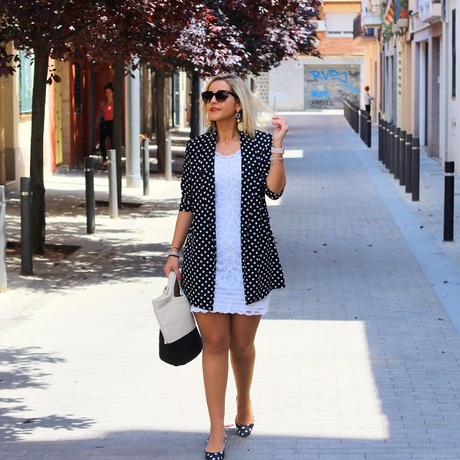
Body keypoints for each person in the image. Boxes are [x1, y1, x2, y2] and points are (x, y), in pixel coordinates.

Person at [163, 73, 287, 460]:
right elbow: (187, 205)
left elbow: (276, 190)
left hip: (251, 258)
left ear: (238, 104)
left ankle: (244, 400)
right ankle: (217, 431)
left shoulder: (260, 145)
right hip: (205, 260)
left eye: (221, 95)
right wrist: (173, 251)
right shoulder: (198, 149)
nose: (212, 100)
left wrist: (278, 148)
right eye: (208, 95)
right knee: (214, 345)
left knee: (242, 344)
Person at [97, 83, 114, 167]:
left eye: (109, 92)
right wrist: (97, 122)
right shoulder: (104, 102)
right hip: (104, 123)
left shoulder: (114, 103)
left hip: (112, 123)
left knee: (112, 141)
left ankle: (113, 159)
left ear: (112, 93)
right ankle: (104, 159)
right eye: (106, 92)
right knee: (102, 141)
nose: (107, 94)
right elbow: (100, 112)